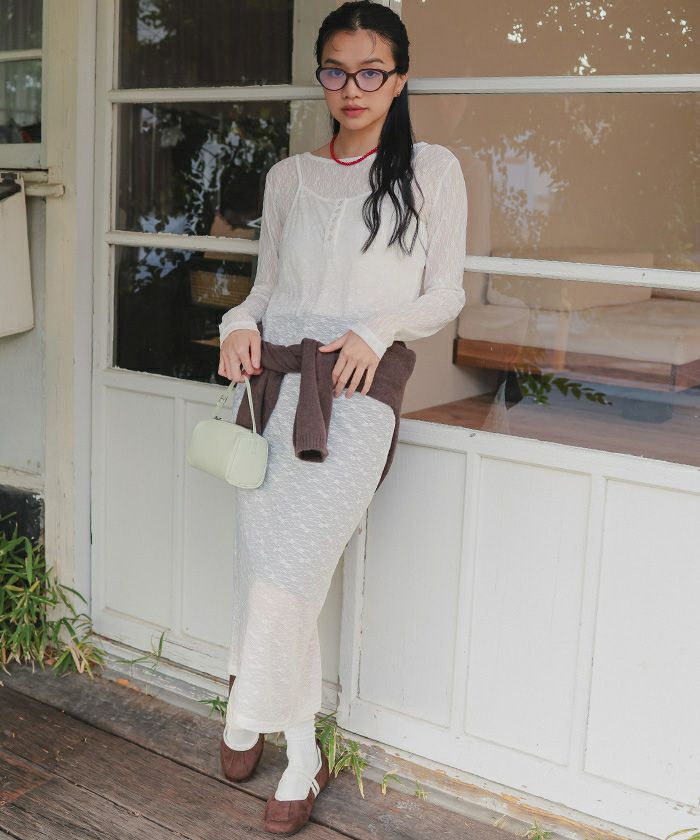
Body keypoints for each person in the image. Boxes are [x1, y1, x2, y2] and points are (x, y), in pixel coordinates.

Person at [217, 1, 468, 833]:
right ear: (321, 75)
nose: (352, 88)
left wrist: (377, 327)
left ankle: (267, 724)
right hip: (271, 388)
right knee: (260, 563)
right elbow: (264, 289)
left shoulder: (431, 170)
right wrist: (237, 323)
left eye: (370, 72)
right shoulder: (289, 177)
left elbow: (446, 292)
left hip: (356, 397)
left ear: (399, 79)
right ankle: (283, 734)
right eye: (336, 70)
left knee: (288, 576)